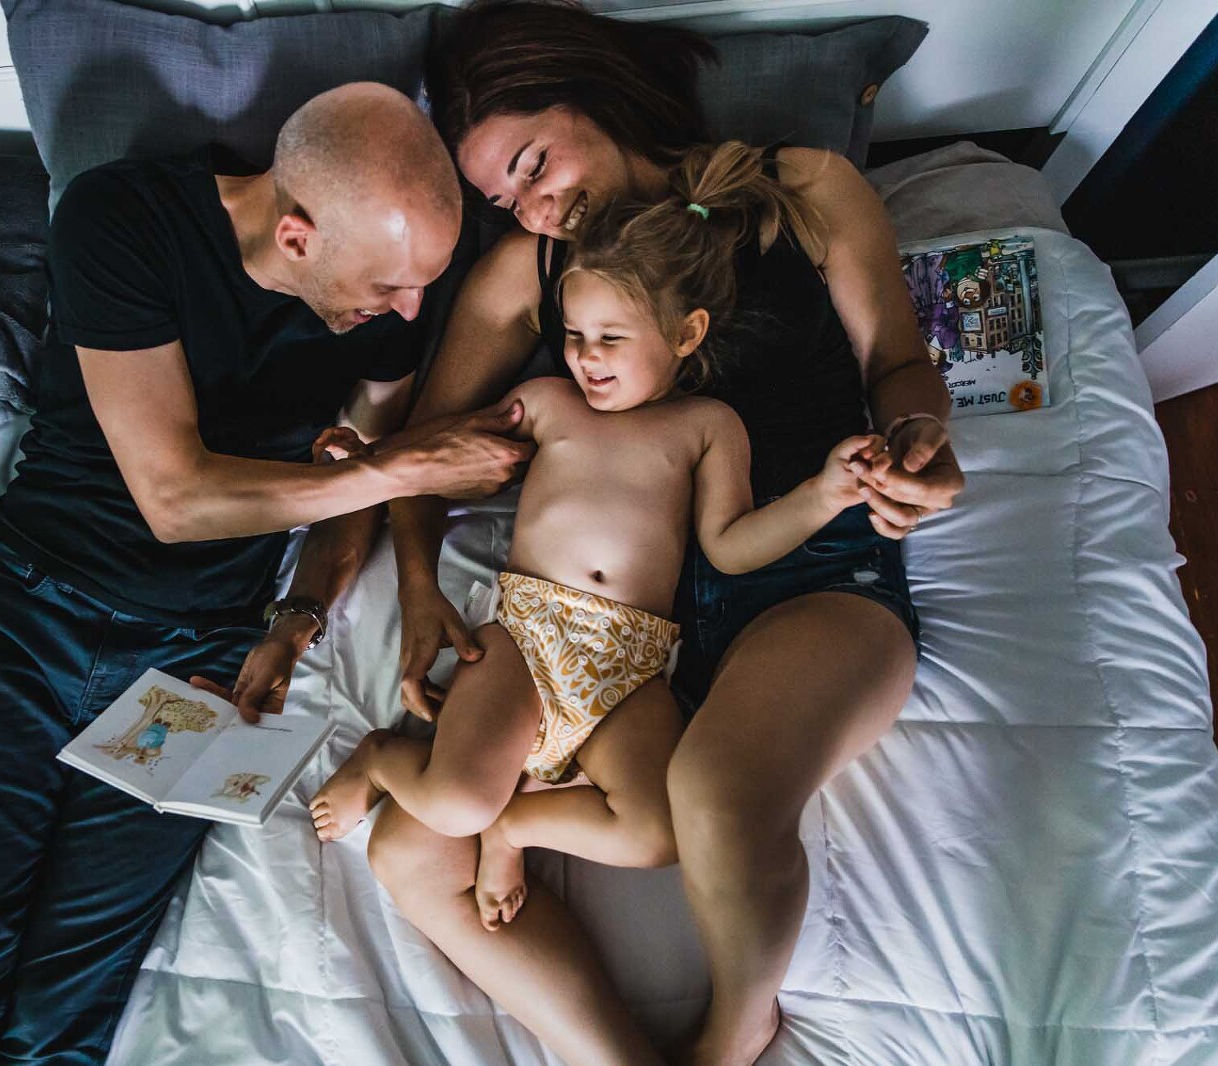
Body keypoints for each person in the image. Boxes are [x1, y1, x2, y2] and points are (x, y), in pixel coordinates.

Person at [0, 82, 531, 1065]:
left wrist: (298, 617)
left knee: (67, 1002)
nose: (407, 312)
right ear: (300, 234)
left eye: (420, 289)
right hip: (31, 611)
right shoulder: (123, 218)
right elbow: (173, 498)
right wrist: (411, 465)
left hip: (200, 656)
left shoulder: (385, 313)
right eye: (391, 285)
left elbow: (349, 474)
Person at [370, 4, 967, 1065]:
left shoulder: (803, 190)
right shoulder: (528, 275)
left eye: (534, 161)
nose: (537, 208)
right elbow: (423, 451)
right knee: (412, 848)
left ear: (591, 89)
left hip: (809, 576)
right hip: (610, 633)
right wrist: (419, 585)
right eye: (506, 197)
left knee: (716, 791)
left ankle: (734, 1033)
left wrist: (918, 438)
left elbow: (896, 367)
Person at [311, 157, 884, 956]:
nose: (587, 357)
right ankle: (380, 760)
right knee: (453, 805)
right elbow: (443, 449)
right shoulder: (546, 404)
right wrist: (367, 456)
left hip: (631, 663)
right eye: (574, 336)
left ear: (686, 334)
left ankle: (516, 828)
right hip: (526, 640)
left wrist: (822, 495)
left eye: (612, 339)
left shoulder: (709, 427)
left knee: (658, 829)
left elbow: (732, 546)